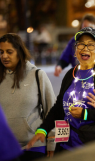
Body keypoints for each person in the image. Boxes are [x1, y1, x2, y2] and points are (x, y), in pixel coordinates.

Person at [27, 27, 95, 152]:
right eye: (81, 44)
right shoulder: (70, 74)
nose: (85, 48)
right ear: (76, 49)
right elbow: (59, 107)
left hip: (93, 145)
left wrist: (86, 114)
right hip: (67, 143)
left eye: (90, 45)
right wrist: (43, 129)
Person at [0, 33, 56, 161]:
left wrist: (52, 143)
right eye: (1, 52)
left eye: (9, 52)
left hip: (35, 146)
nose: (4, 56)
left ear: (19, 52)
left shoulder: (37, 75)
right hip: (6, 149)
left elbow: (52, 111)